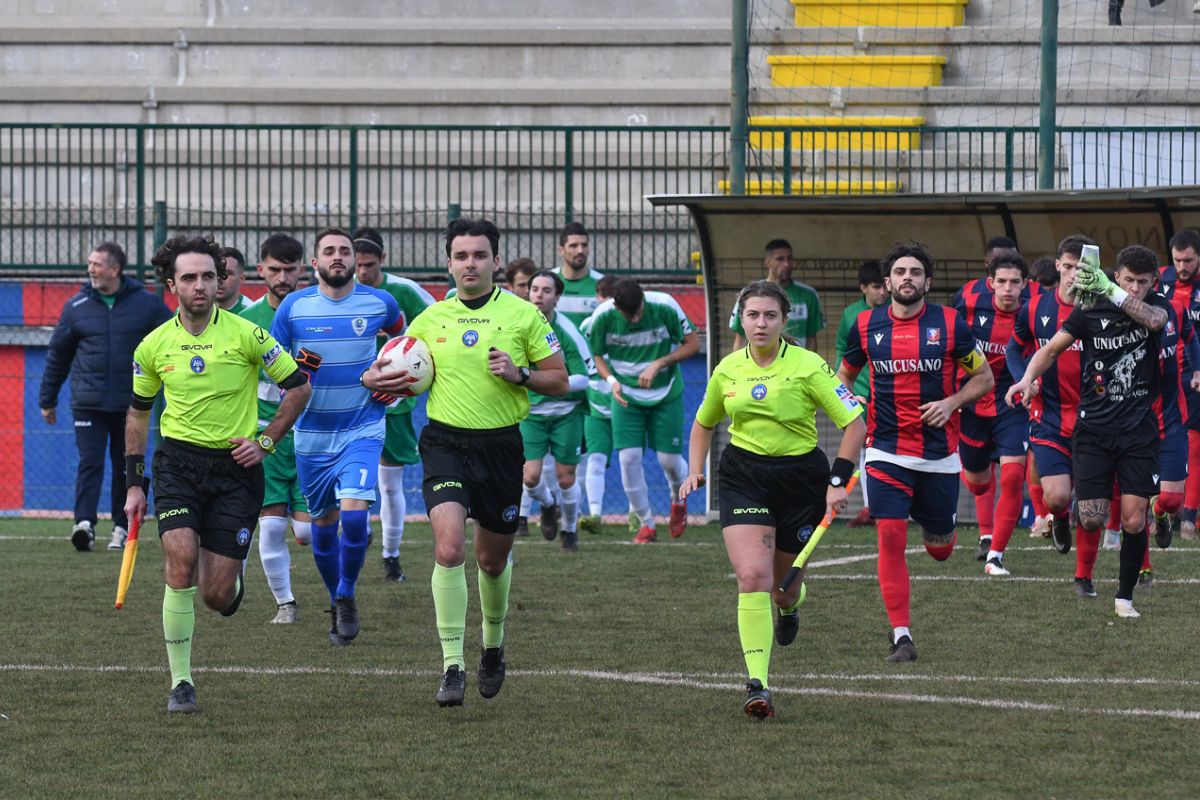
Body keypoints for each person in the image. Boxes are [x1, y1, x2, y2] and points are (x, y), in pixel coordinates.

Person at [124, 234, 311, 713]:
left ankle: (231, 587)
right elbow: (138, 414)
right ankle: (181, 682)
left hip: (235, 469)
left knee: (216, 595)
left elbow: (298, 387)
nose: (201, 285)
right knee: (180, 561)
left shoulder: (249, 334)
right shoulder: (153, 346)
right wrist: (134, 483)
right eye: (189, 277)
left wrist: (265, 442)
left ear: (220, 280)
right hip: (177, 465)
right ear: (172, 285)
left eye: (209, 276)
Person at [681, 280, 866, 718]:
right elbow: (704, 423)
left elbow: (855, 424)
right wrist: (694, 469)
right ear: (741, 321)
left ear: (784, 321)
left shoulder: (809, 365)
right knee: (752, 577)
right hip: (743, 475)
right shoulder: (727, 368)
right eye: (752, 315)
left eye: (769, 315)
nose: (760, 323)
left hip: (801, 480)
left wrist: (837, 482)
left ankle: (790, 609)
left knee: (783, 592)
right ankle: (757, 685)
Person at [402, 217, 567, 707]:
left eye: (478, 255)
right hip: (444, 443)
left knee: (491, 561)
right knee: (449, 547)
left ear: (496, 261)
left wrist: (520, 375)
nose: (469, 264)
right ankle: (452, 664)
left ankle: (492, 645)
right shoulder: (429, 319)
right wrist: (378, 378)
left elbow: (559, 379)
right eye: (461, 256)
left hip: (501, 446)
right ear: (449, 263)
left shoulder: (524, 315)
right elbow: (402, 372)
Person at [839, 242, 993, 662]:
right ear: (887, 282)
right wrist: (849, 405)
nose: (908, 278)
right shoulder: (865, 325)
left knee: (940, 548)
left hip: (939, 454)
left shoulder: (951, 324)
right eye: (900, 272)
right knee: (890, 534)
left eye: (916, 272)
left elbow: (984, 377)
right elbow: (843, 376)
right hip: (885, 449)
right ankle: (902, 636)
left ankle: (941, 531)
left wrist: (951, 403)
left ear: (928, 282)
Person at [1007, 244, 1175, 618]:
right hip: (1094, 430)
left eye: (1142, 282)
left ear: (1153, 282)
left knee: (1133, 518)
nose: (1135, 288)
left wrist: (1112, 290)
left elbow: (1153, 322)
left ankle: (1124, 597)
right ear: (1117, 275)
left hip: (1138, 431)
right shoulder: (1089, 310)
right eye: (1128, 280)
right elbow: (1051, 349)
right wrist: (1026, 379)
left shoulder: (1158, 306)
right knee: (1092, 517)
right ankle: (1066, 534)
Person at [270, 228, 409, 646]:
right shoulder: (293, 308)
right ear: (315, 263)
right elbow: (271, 363)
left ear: (354, 259)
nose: (337, 257)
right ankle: (335, 598)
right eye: (328, 251)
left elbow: (401, 340)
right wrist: (296, 371)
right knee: (323, 526)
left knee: (354, 516)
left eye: (344, 251)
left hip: (362, 427)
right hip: (311, 434)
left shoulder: (380, 302)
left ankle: (347, 593)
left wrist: (391, 378)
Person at [39, 242, 172, 552]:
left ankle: (121, 528)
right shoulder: (76, 306)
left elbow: (172, 338)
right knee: (90, 462)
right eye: (90, 263)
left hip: (131, 405)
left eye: (96, 264)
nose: (90, 269)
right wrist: (48, 399)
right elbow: (58, 355)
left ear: (115, 269)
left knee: (125, 466)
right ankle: (83, 525)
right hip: (88, 403)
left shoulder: (147, 305)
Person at [1008, 235, 1094, 593]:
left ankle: (1084, 578)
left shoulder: (1100, 308)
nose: (1073, 274)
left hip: (1095, 420)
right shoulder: (1034, 308)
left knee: (1091, 507)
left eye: (1081, 268)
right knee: (1058, 497)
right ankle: (1058, 516)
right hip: (1050, 417)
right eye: (1068, 266)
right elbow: (1014, 349)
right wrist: (1024, 380)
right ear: (1058, 265)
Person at [351, 227, 435, 582]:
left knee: (389, 484)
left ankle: (391, 555)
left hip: (395, 401)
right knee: (352, 480)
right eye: (357, 264)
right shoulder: (340, 292)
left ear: (382, 259)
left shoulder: (403, 291)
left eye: (368, 264)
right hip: (351, 399)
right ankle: (359, 529)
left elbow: (437, 322)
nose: (362, 272)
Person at [238, 234, 313, 624]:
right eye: (275, 269)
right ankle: (286, 603)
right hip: (267, 437)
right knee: (269, 525)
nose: (282, 277)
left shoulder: (316, 312)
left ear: (302, 270)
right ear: (260, 270)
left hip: (314, 436)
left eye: (289, 269)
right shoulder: (246, 322)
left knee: (306, 534)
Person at [589, 279, 700, 542]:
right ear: (616, 307)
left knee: (669, 461)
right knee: (628, 459)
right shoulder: (602, 317)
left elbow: (693, 344)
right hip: (626, 397)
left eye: (639, 310)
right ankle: (646, 524)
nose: (636, 318)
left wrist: (660, 363)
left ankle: (678, 501)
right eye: (630, 315)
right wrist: (612, 382)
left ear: (644, 299)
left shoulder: (665, 305)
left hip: (666, 393)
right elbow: (597, 355)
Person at [954, 253, 1031, 575]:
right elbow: (949, 348)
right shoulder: (968, 309)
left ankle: (995, 555)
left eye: (1015, 282)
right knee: (978, 483)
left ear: (1025, 284)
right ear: (991, 283)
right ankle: (986, 530)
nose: (1008, 288)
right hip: (973, 404)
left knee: (1012, 477)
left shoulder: (1033, 314)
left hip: (1012, 405)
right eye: (1002, 282)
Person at [521, 270, 597, 552]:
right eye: (535, 289)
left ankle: (569, 529)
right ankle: (548, 504)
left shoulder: (567, 332)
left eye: (546, 290)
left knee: (566, 477)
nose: (539, 295)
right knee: (530, 478)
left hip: (566, 412)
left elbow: (585, 377)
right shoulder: (518, 326)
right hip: (532, 414)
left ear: (557, 297)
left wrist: (552, 383)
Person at [835, 260, 886, 524]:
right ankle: (870, 507)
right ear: (863, 288)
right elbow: (842, 350)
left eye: (884, 286)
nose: (882, 292)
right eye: (876, 287)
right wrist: (842, 388)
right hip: (862, 391)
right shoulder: (851, 314)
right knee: (867, 448)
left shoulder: (895, 312)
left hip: (888, 390)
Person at [1157, 229, 1200, 539]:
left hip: (1194, 377)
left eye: (1189, 260)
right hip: (1162, 375)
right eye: (1177, 260)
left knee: (1194, 445)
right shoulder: (1159, 279)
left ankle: (1189, 517)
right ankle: (1160, 508)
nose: (1182, 267)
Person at [577, 274, 628, 535]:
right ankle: (595, 514)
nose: (607, 304)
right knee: (594, 459)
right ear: (598, 298)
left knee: (630, 459)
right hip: (596, 403)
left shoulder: (629, 323)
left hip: (627, 401)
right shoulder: (588, 325)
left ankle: (637, 513)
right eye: (604, 298)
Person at [730, 239, 824, 350]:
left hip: (796, 360)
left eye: (790, 258)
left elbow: (811, 338)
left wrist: (810, 361)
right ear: (768, 262)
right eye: (780, 259)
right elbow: (740, 338)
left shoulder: (809, 295)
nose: (786, 264)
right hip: (759, 360)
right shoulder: (749, 294)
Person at [553, 222, 605, 328]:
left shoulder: (603, 283)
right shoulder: (548, 281)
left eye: (584, 245)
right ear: (561, 250)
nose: (580, 251)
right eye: (574, 246)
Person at [216, 246, 253, 312]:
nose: (220, 279)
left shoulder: (251, 313)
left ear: (241, 278)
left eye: (227, 273)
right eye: (216, 272)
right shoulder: (199, 310)